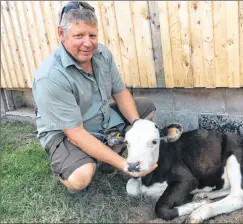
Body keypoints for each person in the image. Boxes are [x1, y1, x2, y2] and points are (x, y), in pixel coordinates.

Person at [32, 1, 157, 193]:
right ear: (61, 35)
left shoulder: (102, 54)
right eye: (79, 35)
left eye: (92, 35)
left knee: (146, 109)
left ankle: (109, 155)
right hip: (66, 132)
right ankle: (75, 164)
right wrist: (126, 165)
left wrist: (137, 123)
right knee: (81, 176)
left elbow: (121, 92)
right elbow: (76, 133)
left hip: (101, 118)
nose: (87, 43)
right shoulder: (50, 77)